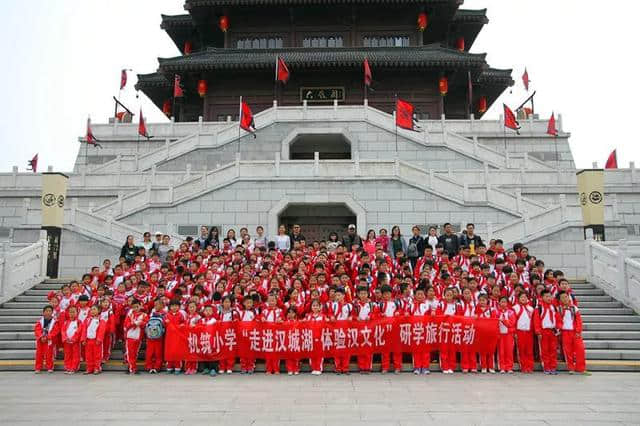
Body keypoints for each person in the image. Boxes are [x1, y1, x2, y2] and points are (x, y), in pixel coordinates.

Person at [557, 291, 587, 374]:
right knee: (568, 351)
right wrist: (559, 328)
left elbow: (579, 321)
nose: (564, 299)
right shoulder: (559, 309)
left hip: (575, 332)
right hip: (565, 332)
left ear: (568, 297)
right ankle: (571, 368)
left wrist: (578, 330)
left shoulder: (574, 308)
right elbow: (558, 320)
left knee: (580, 350)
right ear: (560, 299)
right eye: (562, 297)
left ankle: (581, 368)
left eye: (566, 297)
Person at [353, 286, 377, 373]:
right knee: (360, 348)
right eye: (361, 293)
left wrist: (370, 317)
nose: (363, 295)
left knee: (368, 348)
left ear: (368, 294)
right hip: (359, 329)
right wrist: (356, 318)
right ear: (358, 294)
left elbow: (376, 314)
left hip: (369, 329)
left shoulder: (372, 305)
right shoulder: (355, 305)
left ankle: (368, 367)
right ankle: (361, 367)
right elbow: (352, 315)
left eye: (365, 293)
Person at [534, 289, 558, 375]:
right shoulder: (539, 307)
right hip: (543, 331)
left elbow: (557, 318)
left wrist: (558, 328)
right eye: (546, 296)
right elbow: (536, 320)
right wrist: (538, 332)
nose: (549, 298)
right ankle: (546, 367)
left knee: (553, 350)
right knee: (544, 350)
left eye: (550, 296)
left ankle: (553, 367)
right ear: (542, 297)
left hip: (552, 331)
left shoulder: (553, 307)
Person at [379, 285, 402, 374]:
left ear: (391, 294)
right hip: (384, 329)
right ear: (382, 295)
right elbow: (375, 314)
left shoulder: (396, 303)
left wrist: (398, 313)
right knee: (385, 350)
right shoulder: (380, 304)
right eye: (384, 294)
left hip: (395, 329)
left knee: (397, 349)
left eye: (388, 293)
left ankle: (397, 367)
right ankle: (385, 367)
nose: (386, 295)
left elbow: (401, 312)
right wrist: (381, 315)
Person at [410, 287, 433, 375]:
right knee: (416, 349)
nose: (420, 296)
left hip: (425, 329)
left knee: (426, 349)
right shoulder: (411, 305)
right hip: (415, 330)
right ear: (415, 296)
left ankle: (425, 367)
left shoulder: (427, 305)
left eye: (421, 294)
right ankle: (417, 366)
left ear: (424, 296)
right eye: (418, 294)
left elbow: (430, 317)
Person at [123, 299, 148, 374]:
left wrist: (140, 323)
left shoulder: (144, 315)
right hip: (130, 336)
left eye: (137, 306)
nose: (136, 308)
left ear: (140, 306)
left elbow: (146, 324)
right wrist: (133, 323)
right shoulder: (130, 315)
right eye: (134, 307)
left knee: (135, 353)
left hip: (138, 337)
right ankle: (132, 368)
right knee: (130, 353)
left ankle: (132, 366)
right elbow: (125, 325)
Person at [512, 293, 535, 373]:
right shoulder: (515, 308)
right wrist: (514, 332)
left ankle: (530, 366)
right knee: (521, 350)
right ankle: (524, 366)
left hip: (529, 332)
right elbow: (513, 321)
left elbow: (533, 321)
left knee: (529, 350)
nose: (523, 298)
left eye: (525, 297)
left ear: (527, 298)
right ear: (518, 298)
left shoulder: (531, 309)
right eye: (521, 297)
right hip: (519, 331)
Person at [81, 305, 106, 375]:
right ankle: (89, 368)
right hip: (88, 340)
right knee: (88, 355)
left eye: (94, 309)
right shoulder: (87, 320)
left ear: (99, 311)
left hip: (96, 341)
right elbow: (84, 330)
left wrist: (99, 339)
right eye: (91, 309)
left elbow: (102, 330)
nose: (92, 311)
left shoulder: (101, 320)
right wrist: (83, 339)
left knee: (97, 355)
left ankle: (97, 368)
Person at [34, 305, 58, 373]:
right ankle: (38, 368)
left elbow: (55, 331)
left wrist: (47, 337)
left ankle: (49, 367)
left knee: (49, 354)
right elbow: (37, 330)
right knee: (39, 354)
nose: (48, 312)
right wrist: (41, 336)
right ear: (43, 312)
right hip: (40, 340)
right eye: (46, 311)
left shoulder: (55, 321)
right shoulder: (40, 321)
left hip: (49, 340)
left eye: (50, 311)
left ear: (52, 312)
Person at [305, 300, 327, 375]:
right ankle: (313, 368)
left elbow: (327, 325)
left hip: (320, 338)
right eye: (313, 306)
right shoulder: (308, 316)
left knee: (319, 354)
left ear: (320, 307)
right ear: (311, 307)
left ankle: (319, 368)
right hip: (310, 338)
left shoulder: (323, 316)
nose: (315, 307)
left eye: (317, 305)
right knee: (312, 354)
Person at [497, 296, 516, 373]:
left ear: (507, 303)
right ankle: (502, 367)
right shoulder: (496, 312)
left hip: (509, 334)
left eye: (505, 302)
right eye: (502, 302)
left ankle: (509, 367)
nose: (503, 304)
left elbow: (512, 323)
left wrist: (504, 321)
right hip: (500, 334)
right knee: (501, 351)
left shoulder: (511, 312)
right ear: (499, 303)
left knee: (509, 351)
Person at [61, 305, 82, 374]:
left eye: (73, 312)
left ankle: (74, 368)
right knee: (67, 355)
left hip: (75, 342)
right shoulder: (66, 322)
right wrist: (66, 338)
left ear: (77, 312)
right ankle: (68, 367)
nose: (72, 314)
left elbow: (79, 331)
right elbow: (63, 331)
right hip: (67, 342)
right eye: (70, 312)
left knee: (75, 355)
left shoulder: (79, 322)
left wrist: (74, 339)